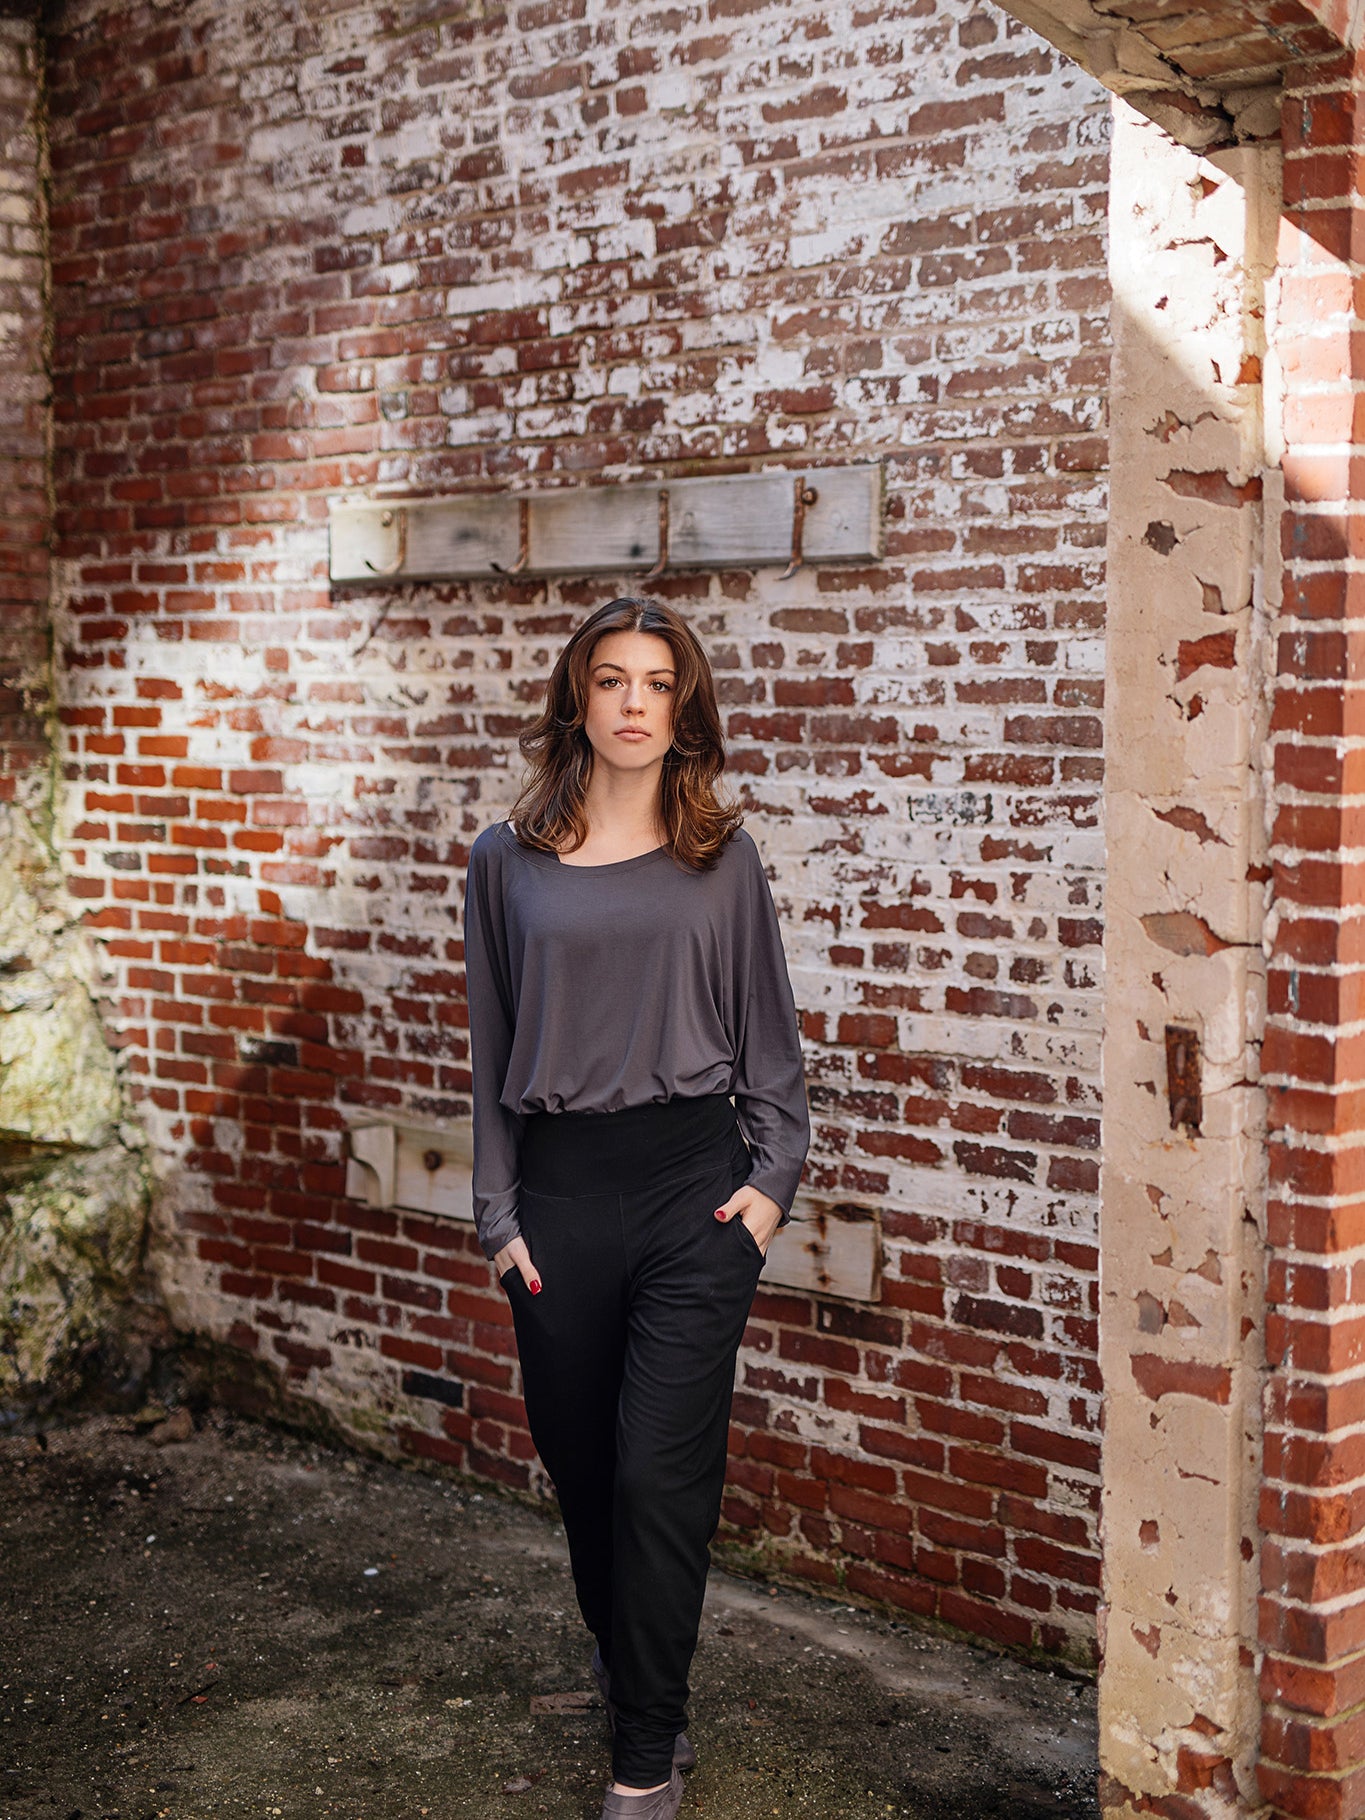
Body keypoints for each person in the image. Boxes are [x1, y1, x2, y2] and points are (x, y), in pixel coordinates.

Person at [462, 595, 810, 1820]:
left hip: (690, 1195)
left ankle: (644, 1760)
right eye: (611, 679)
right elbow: (490, 1045)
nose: (632, 702)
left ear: (684, 708)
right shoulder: (504, 862)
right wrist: (497, 1215)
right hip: (556, 1198)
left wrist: (766, 1190)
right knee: (586, 1469)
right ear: (579, 699)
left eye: (657, 683)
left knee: (663, 1475)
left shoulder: (722, 860)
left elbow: (771, 1046)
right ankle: (628, 1654)